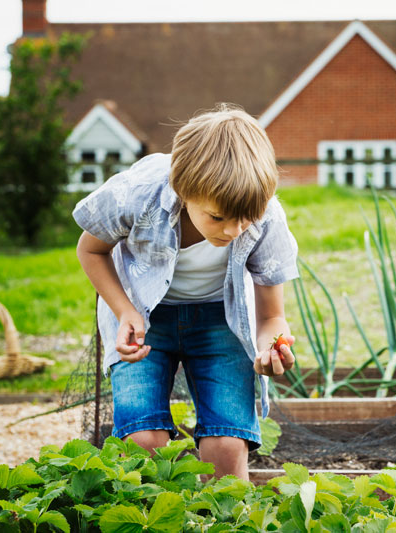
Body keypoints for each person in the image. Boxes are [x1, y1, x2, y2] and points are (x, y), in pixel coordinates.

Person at [73, 104, 298, 481]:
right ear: (184, 190)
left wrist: (268, 347)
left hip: (220, 319)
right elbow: (90, 249)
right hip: (143, 319)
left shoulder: (266, 215)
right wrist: (124, 311)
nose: (233, 231)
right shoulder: (138, 194)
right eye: (217, 217)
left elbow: (272, 315)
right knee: (143, 440)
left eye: (246, 218)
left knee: (226, 449)